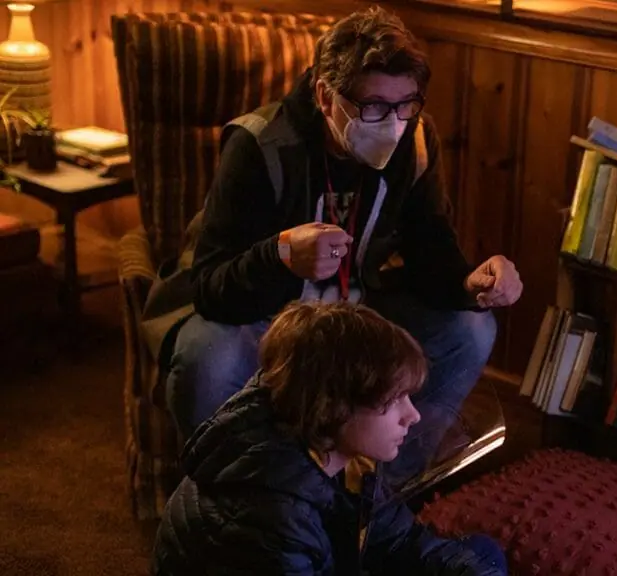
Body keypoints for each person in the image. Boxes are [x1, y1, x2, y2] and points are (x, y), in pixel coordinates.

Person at [154, 6, 523, 481]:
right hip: (267, 319)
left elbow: (432, 249)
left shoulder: (415, 140)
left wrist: (470, 282)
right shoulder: (259, 144)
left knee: (472, 329)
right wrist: (282, 255)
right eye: (372, 107)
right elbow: (210, 288)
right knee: (207, 358)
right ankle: (243, 506)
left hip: (358, 311)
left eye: (405, 103)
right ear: (326, 97)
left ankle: (383, 495)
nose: (391, 123)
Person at [152, 301, 509, 575]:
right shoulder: (272, 520)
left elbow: (394, 537)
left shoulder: (329, 452)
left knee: (480, 556)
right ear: (333, 405)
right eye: (392, 401)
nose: (412, 415)